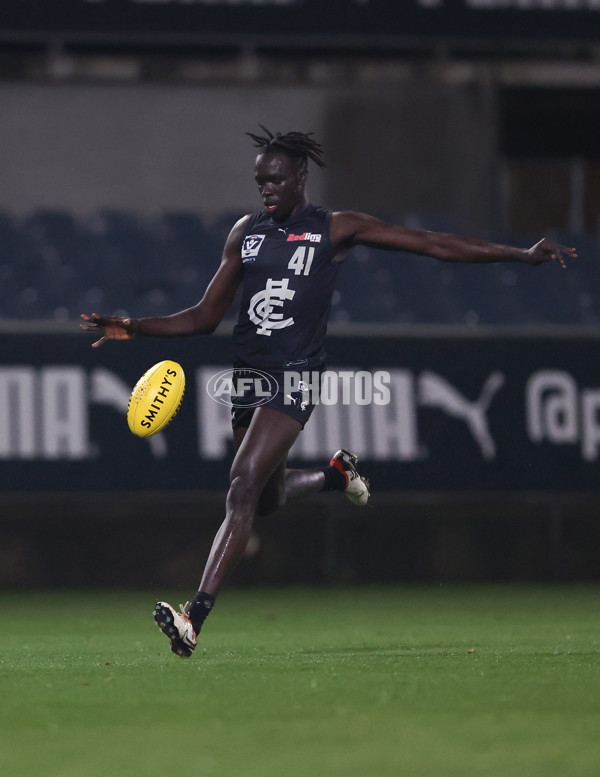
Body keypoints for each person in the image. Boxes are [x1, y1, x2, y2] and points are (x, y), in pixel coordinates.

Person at [81, 126, 576, 658]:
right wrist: (134, 327)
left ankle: (193, 617)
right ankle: (334, 475)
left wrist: (520, 255)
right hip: (249, 376)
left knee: (242, 485)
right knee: (264, 500)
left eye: (274, 180)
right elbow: (204, 318)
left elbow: (433, 245)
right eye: (259, 183)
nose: (266, 190)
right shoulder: (245, 233)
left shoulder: (336, 229)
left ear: (300, 177)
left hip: (296, 374)